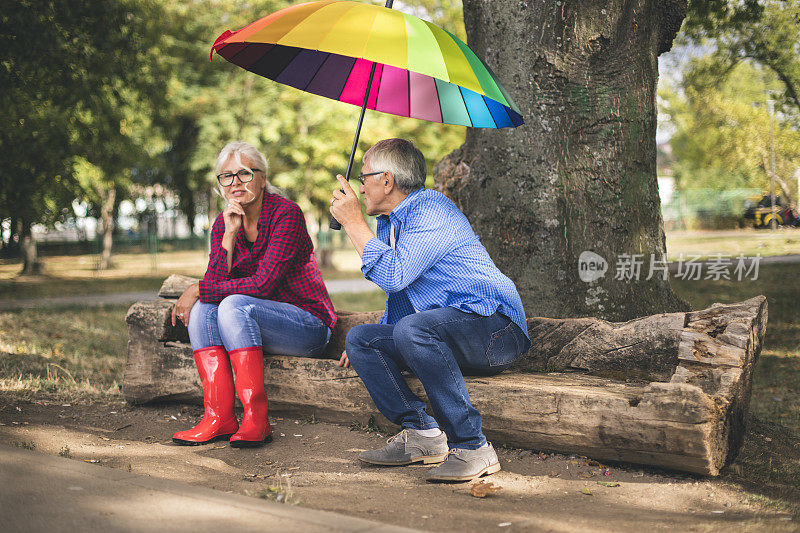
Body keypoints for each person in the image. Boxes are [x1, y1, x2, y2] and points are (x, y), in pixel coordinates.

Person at [329, 138, 530, 482]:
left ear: (387, 180)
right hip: (453, 332)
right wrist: (380, 341)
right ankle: (423, 434)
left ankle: (473, 447)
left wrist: (351, 222)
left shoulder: (431, 210)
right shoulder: (394, 222)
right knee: (362, 339)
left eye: (364, 178)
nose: (360, 187)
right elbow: (405, 294)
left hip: (497, 331)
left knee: (413, 330)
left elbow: (394, 276)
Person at [171, 141, 336, 448]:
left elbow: (262, 286)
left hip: (307, 326)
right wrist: (229, 235)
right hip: (253, 326)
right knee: (203, 311)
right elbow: (214, 287)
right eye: (227, 176)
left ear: (263, 177)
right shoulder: (223, 222)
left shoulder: (287, 214)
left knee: (232, 305)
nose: (235, 183)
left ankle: (255, 419)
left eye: (245, 173)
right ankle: (219, 418)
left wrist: (197, 287)